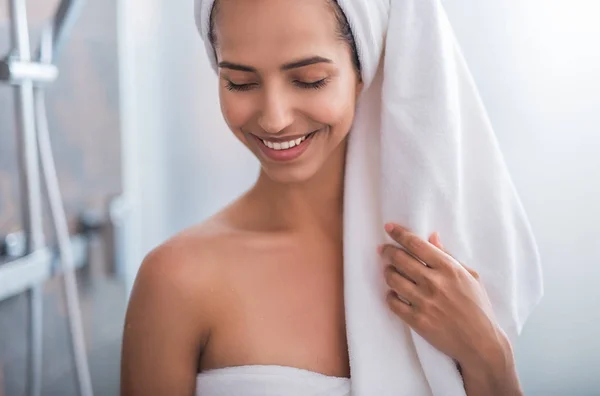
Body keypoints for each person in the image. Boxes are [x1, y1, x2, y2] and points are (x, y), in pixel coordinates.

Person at [120, 0, 524, 395]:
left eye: (310, 79)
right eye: (240, 83)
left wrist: (488, 355)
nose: (274, 118)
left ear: (364, 70)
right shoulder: (175, 281)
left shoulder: (447, 269)